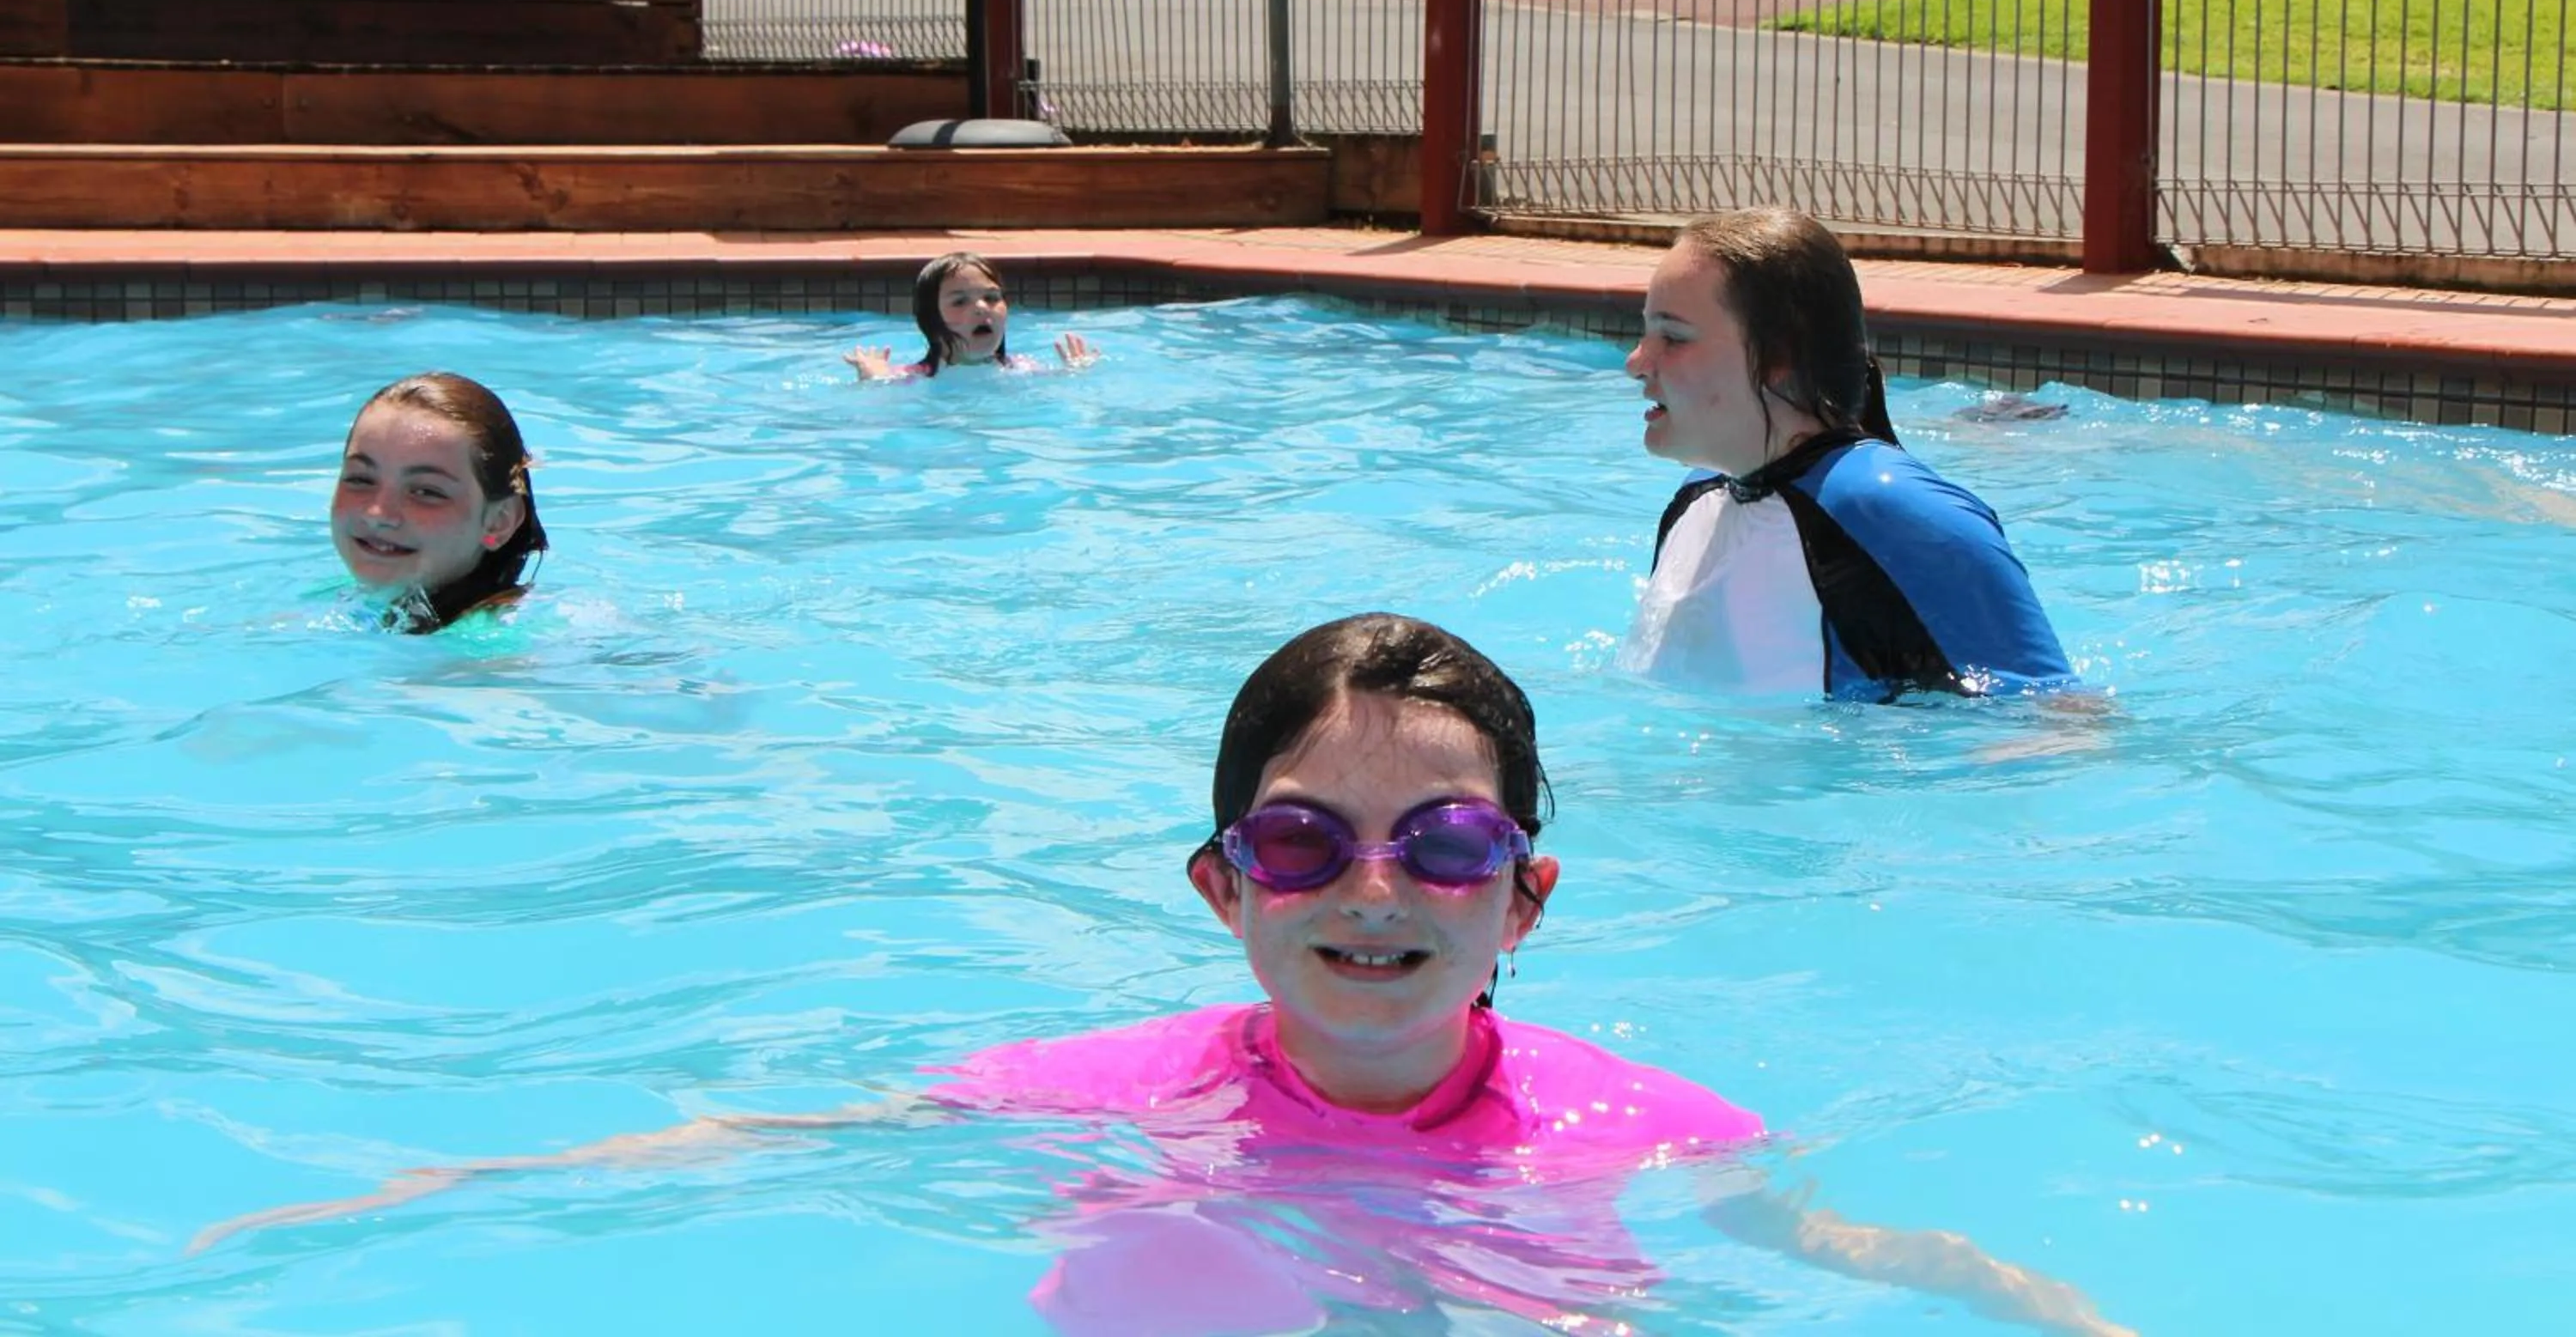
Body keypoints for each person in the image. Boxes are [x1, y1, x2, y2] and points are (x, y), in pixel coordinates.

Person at [195, 615, 2128, 1335]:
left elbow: (1863, 1259)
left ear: (1525, 900)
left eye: (1446, 846)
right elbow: (787, 1146)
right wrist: (447, 1190)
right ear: (1224, 888)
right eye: (1302, 843)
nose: (1373, 890)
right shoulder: (1105, 1092)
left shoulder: (1656, 1132)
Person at [1622, 209, 2073, 699]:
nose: (1636, 363)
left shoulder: (1893, 514)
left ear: (1777, 357)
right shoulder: (1697, 498)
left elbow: (2053, 714)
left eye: (1673, 338)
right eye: (1645, 333)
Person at [331, 372, 548, 633]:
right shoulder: (339, 596)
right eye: (361, 479)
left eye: (426, 492)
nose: (377, 514)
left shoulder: (500, 641)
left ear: (499, 521)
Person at [843, 252, 1097, 380]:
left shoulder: (1023, 369)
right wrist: (874, 379)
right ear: (931, 320)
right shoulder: (912, 378)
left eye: (992, 297)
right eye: (960, 301)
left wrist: (1075, 373)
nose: (981, 308)